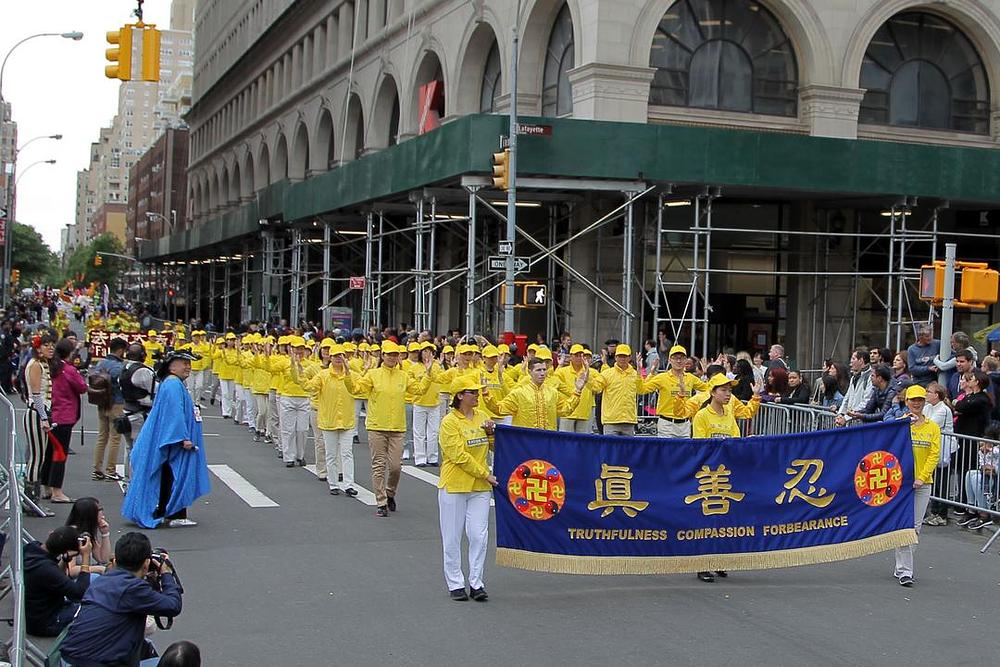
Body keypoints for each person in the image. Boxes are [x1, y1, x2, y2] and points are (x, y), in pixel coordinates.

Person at [60, 532, 183, 667]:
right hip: (95, 663)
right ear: (146, 563)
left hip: (69, 659)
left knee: (145, 646)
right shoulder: (132, 588)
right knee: (183, 653)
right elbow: (173, 606)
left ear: (116, 560)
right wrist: (166, 573)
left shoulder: (101, 581)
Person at [122, 350, 210, 529]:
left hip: (171, 438)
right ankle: (174, 513)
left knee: (166, 474)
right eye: (183, 363)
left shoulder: (172, 383)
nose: (188, 367)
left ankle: (166, 511)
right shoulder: (173, 384)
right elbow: (174, 413)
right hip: (174, 440)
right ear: (171, 365)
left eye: (189, 363)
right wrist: (183, 438)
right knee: (174, 475)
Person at [350, 341, 433, 517]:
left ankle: (390, 493)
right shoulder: (373, 374)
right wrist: (346, 375)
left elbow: (419, 389)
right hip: (376, 426)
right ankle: (380, 502)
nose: (392, 357)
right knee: (378, 466)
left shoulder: (402, 376)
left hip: (396, 427)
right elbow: (356, 388)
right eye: (389, 354)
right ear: (383, 356)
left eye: (395, 354)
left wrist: (428, 372)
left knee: (395, 467)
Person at [679, 374, 748, 583]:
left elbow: (736, 440)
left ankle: (719, 560)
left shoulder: (729, 415)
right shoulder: (701, 416)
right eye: (723, 390)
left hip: (725, 476)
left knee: (724, 520)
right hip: (707, 477)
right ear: (712, 392)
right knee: (705, 521)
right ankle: (702, 565)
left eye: (730, 390)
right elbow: (700, 447)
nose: (728, 394)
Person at [438, 376, 498, 602]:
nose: (477, 395)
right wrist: (486, 474)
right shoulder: (449, 422)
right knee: (452, 537)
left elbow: (493, 447)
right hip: (455, 485)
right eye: (472, 392)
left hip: (480, 488)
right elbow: (457, 455)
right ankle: (455, 583)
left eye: (478, 391)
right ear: (460, 395)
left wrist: (492, 433)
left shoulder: (483, 417)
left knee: (478, 536)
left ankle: (476, 582)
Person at [893, 384, 940, 587]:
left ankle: (902, 565)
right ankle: (905, 571)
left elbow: (934, 455)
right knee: (904, 526)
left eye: (920, 399)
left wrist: (921, 477)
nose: (917, 403)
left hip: (922, 484)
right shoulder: (900, 424)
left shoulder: (932, 427)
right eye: (913, 400)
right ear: (907, 402)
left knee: (916, 528)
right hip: (901, 484)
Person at [301, 343, 359, 497]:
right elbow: (309, 386)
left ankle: (348, 485)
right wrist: (297, 370)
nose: (338, 359)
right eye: (335, 356)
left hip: (346, 420)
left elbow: (362, 386)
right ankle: (333, 484)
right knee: (331, 454)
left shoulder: (351, 374)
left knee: (347, 453)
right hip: (329, 420)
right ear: (329, 358)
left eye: (341, 356)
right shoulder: (323, 375)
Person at [24, 526, 92, 636]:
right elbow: (80, 593)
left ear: (51, 534)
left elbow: (56, 578)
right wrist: (86, 556)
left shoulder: (31, 548)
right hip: (47, 623)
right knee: (95, 610)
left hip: (34, 616)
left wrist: (65, 560)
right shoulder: (46, 568)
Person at [483, 358, 585, 431]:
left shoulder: (553, 393)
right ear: (529, 372)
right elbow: (499, 409)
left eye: (544, 370)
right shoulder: (519, 393)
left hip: (548, 440)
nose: (542, 373)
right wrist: (485, 394)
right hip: (525, 442)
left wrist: (578, 391)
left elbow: (566, 410)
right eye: (538, 370)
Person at [47, 337, 87, 504]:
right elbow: (82, 387)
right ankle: (57, 491)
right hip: (64, 415)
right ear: (69, 353)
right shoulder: (68, 370)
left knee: (49, 452)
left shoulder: (51, 367)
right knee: (60, 454)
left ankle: (46, 486)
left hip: (50, 413)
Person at [637, 344, 708, 438]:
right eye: (675, 358)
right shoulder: (662, 378)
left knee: (684, 452)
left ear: (686, 360)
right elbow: (642, 390)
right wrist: (639, 371)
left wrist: (706, 374)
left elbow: (709, 389)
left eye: (682, 358)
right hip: (666, 424)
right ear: (670, 360)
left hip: (684, 424)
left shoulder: (691, 378)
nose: (679, 361)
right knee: (666, 452)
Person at [92, 337, 127, 483]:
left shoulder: (100, 363)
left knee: (102, 437)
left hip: (102, 402)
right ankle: (110, 470)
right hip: (117, 403)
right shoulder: (119, 367)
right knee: (115, 438)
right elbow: (124, 384)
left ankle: (97, 469)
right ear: (120, 350)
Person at [588, 344, 642, 436]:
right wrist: (586, 379)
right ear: (615, 357)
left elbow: (641, 389)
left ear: (630, 358)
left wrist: (640, 372)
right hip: (611, 421)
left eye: (625, 356)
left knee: (628, 450)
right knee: (610, 450)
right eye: (620, 356)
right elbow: (596, 387)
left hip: (628, 421)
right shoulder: (607, 374)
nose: (622, 359)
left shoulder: (634, 374)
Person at [120, 343, 156, 482]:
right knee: (138, 450)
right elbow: (155, 390)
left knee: (129, 448)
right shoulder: (143, 371)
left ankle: (128, 480)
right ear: (142, 355)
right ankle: (135, 482)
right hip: (139, 413)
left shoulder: (124, 367)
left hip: (127, 410)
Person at [922, 382, 956, 526]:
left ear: (936, 395)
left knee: (942, 482)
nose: (926, 394)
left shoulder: (943, 409)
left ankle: (942, 514)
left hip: (944, 448)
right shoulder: (928, 407)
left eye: (928, 391)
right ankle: (934, 511)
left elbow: (929, 424)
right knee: (934, 480)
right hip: (932, 447)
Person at [960, 426, 999, 530]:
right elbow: (981, 464)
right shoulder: (982, 450)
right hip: (987, 473)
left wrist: (994, 469)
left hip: (996, 477)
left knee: (976, 479)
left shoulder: (997, 450)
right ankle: (971, 509)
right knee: (970, 474)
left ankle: (984, 514)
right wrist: (983, 468)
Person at [65, 497, 113, 576]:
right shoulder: (71, 535)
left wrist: (105, 534)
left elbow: (103, 559)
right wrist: (100, 569)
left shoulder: (87, 533)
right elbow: (70, 570)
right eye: (99, 511)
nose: (103, 516)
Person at [836, 347, 873, 425]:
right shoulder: (853, 377)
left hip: (862, 422)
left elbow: (867, 401)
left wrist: (846, 417)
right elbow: (847, 397)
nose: (850, 363)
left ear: (861, 360)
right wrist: (840, 414)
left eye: (853, 359)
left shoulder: (871, 377)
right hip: (851, 421)